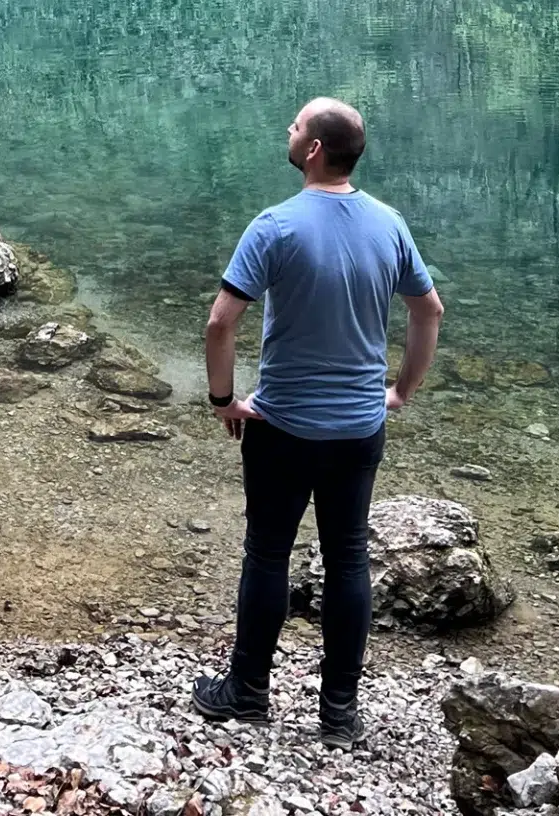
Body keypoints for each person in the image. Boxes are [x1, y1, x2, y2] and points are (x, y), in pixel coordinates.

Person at [193, 97, 442, 745]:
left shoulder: (275, 226)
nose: (288, 127)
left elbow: (221, 322)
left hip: (281, 428)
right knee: (348, 559)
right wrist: (403, 389)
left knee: (269, 553)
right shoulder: (388, 225)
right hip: (359, 429)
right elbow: (429, 312)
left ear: (312, 150)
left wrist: (223, 399)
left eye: (296, 124)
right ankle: (338, 713)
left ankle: (246, 691)